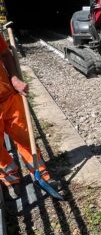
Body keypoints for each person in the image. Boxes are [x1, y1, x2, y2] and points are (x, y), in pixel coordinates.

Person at [0, 31, 57, 199]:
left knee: (25, 138)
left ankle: (40, 174)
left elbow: (5, 54)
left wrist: (15, 79)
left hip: (9, 98)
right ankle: (11, 179)